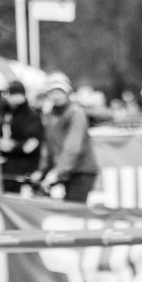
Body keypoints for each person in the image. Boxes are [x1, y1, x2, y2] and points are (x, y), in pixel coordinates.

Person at [37, 73, 99, 204]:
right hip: (64, 170)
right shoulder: (49, 115)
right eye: (53, 92)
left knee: (74, 212)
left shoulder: (76, 113)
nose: (56, 95)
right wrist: (41, 170)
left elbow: (72, 147)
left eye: (60, 91)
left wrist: (57, 172)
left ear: (67, 92)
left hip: (81, 171)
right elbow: (48, 146)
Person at [0, 80, 44, 195]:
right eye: (11, 94)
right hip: (6, 169)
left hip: (25, 170)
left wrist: (14, 146)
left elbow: (32, 144)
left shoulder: (31, 116)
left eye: (17, 94)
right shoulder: (5, 114)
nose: (14, 98)